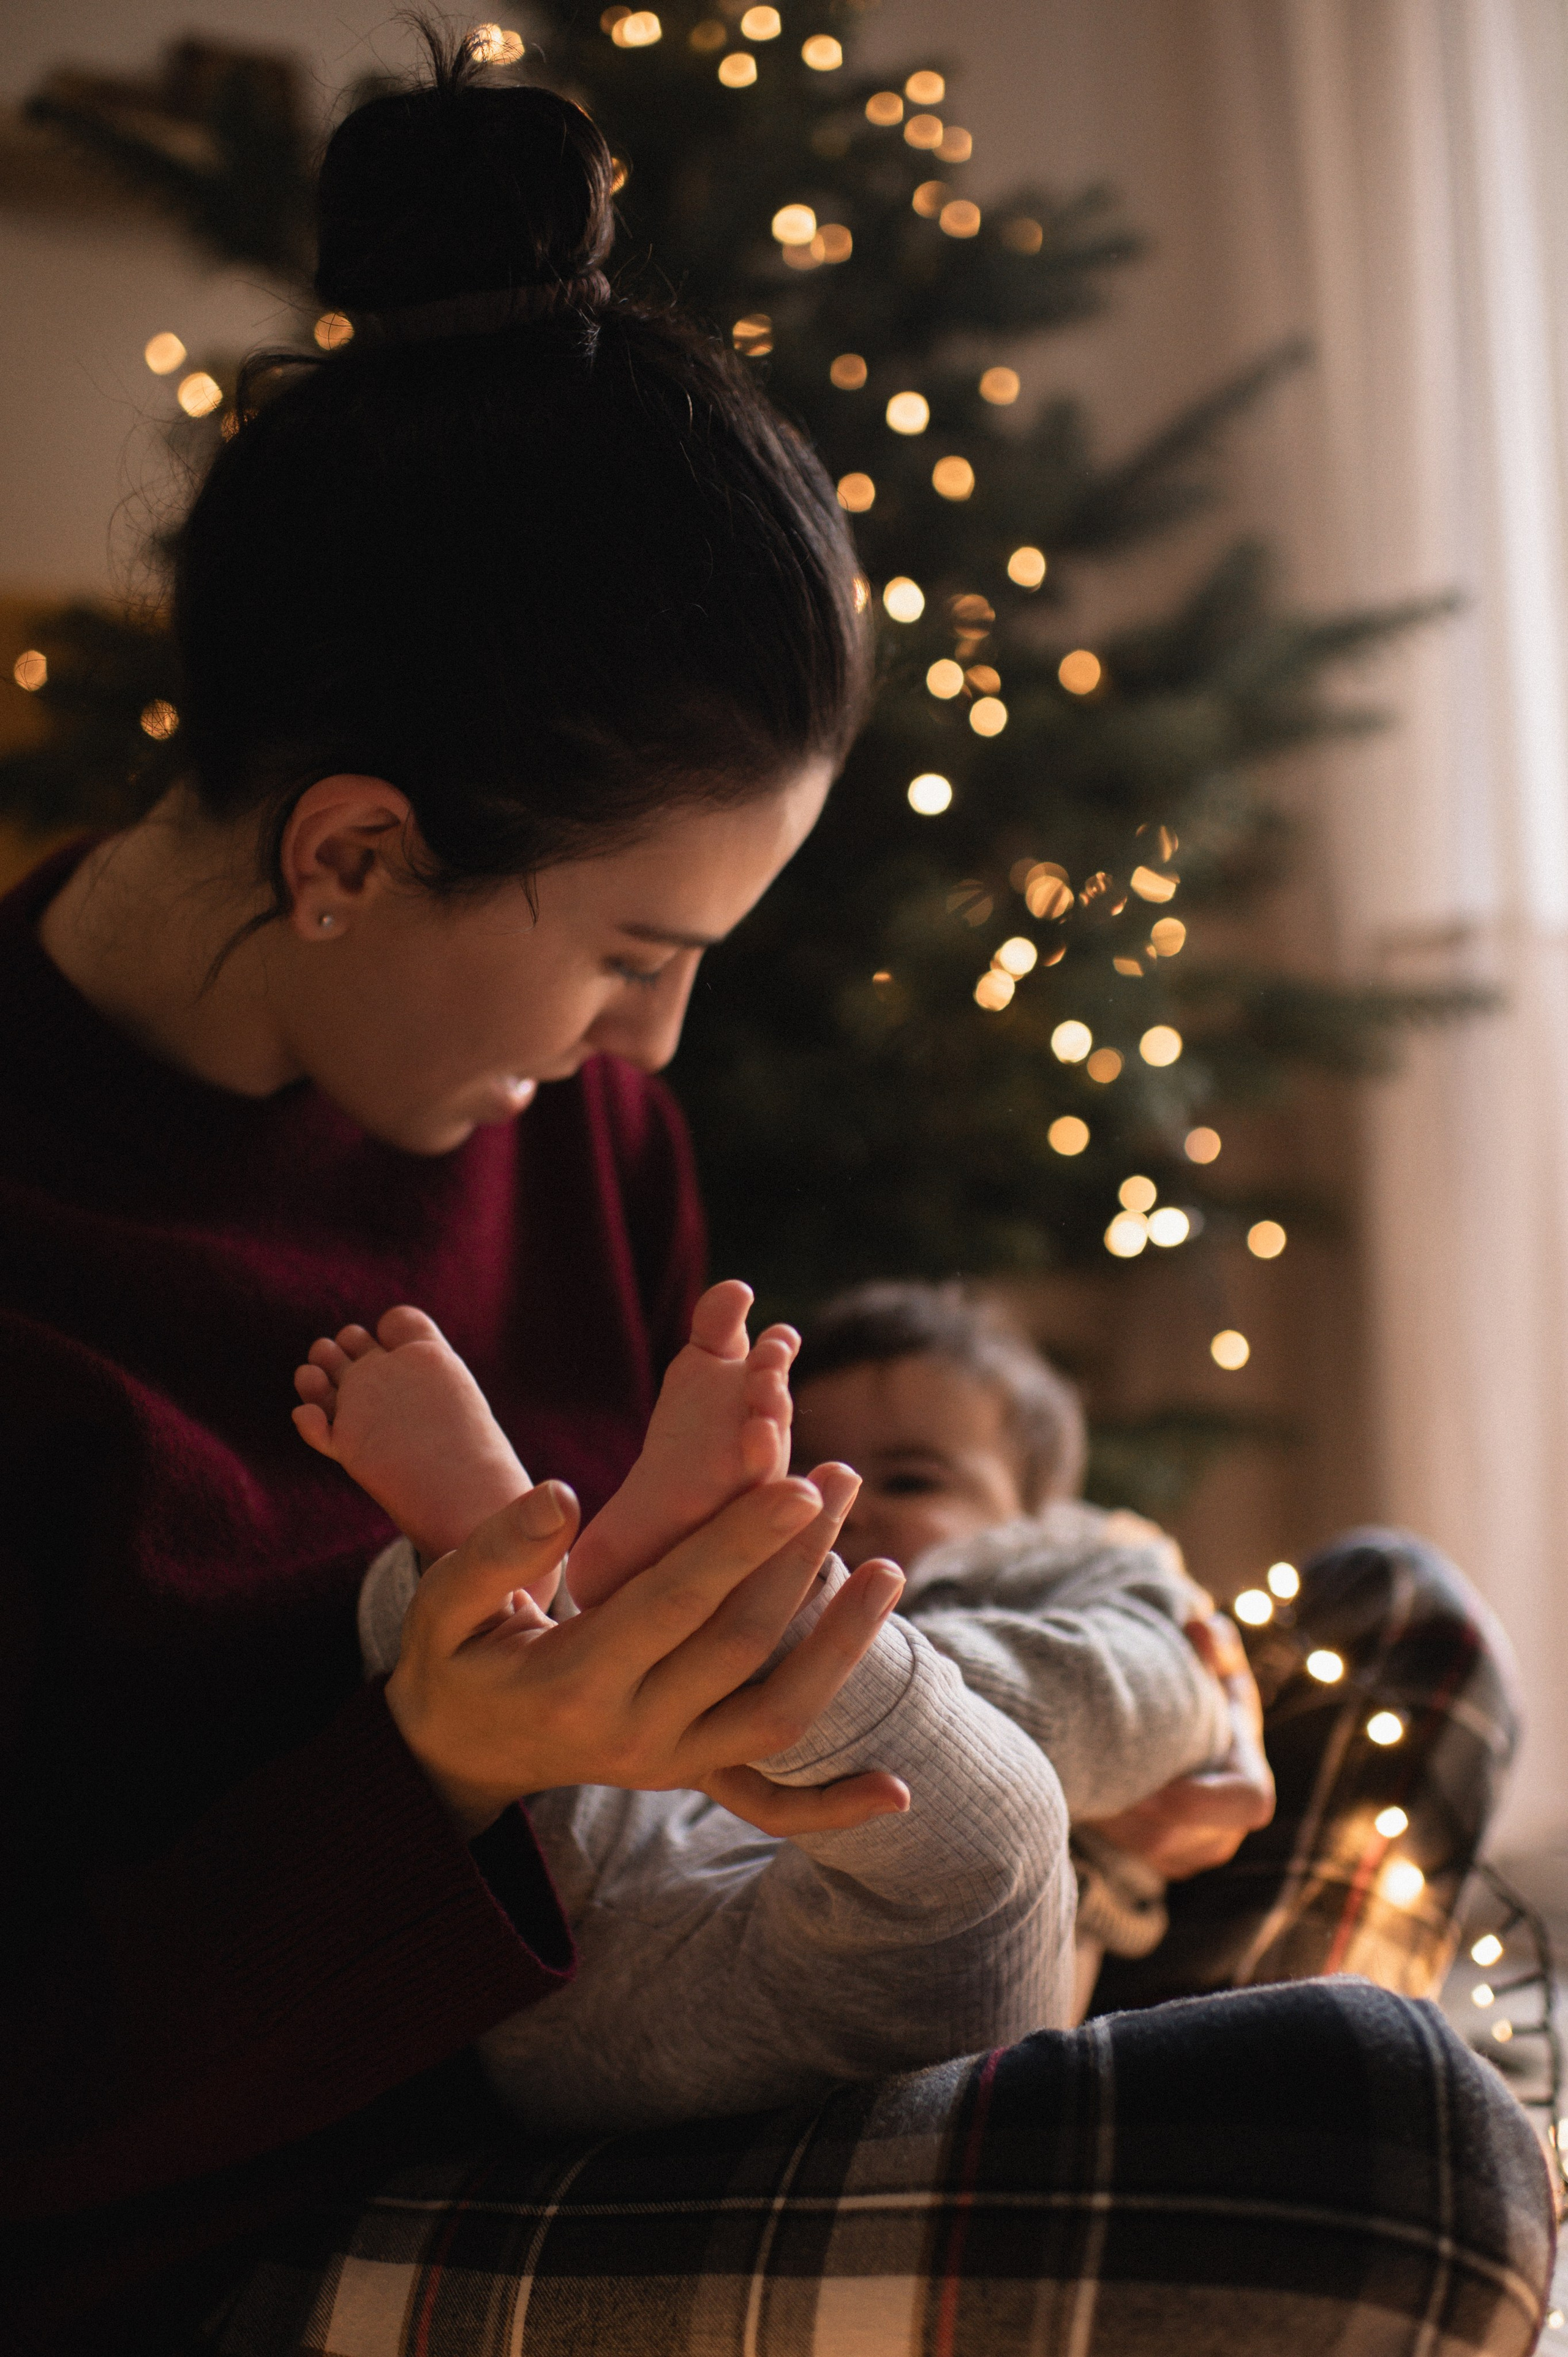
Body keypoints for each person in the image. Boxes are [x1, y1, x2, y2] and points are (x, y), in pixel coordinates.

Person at [0, 37, 1550, 2357]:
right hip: (259, 2207)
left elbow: (713, 1704)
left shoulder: (572, 1121)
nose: (653, 1047)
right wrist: (434, 1770)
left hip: (706, 2003)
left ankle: (1107, 2054)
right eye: (633, 950)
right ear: (350, 850)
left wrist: (913, 1731)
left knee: (1379, 1629)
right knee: (1393, 2170)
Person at [793, 1279, 1528, 2011]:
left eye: (909, 1480)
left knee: (1399, 1598)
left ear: (1039, 1522)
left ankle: (1282, 2053)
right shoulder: (753, 1621)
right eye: (805, 1477)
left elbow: (1139, 1684)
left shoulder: (1048, 1584)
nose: (843, 1505)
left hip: (1020, 1978)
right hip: (781, 1964)